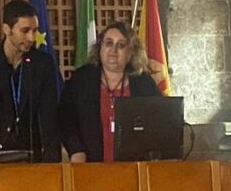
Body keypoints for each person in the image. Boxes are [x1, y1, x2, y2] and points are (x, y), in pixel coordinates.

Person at [0, 0, 61, 162]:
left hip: (32, 155)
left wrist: (51, 162)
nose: (31, 38)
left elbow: (49, 116)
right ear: (6, 29)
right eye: (25, 31)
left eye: (35, 31)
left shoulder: (42, 64)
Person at [58, 20, 160, 162]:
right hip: (89, 165)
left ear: (131, 52)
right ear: (100, 47)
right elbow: (65, 119)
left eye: (121, 45)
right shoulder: (82, 79)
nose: (113, 50)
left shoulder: (143, 82)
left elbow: (158, 121)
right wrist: (76, 150)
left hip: (135, 165)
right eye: (108, 43)